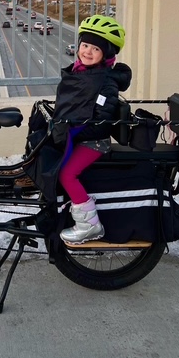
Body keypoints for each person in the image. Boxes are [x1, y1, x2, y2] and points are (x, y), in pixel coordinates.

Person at [52, 15, 132, 244]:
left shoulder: (105, 83)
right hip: (79, 136)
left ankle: (89, 225)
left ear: (106, 54)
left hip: (93, 142)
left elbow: (100, 122)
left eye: (95, 48)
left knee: (66, 173)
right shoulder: (79, 72)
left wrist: (70, 131)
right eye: (84, 45)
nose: (87, 51)